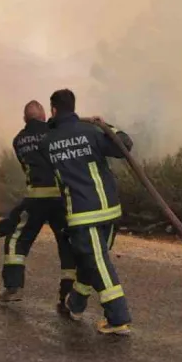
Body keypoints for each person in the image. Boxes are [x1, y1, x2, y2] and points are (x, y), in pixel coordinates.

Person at [45, 88, 134, 336]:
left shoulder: (48, 141)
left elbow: (47, 148)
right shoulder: (91, 132)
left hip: (83, 214)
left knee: (98, 263)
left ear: (53, 109)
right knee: (91, 260)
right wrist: (107, 125)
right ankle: (76, 304)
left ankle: (118, 318)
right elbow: (125, 146)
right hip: (109, 209)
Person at [0, 101, 77, 312]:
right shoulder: (55, 132)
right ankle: (67, 296)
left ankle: (13, 288)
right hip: (61, 199)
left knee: (16, 240)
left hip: (36, 199)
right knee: (67, 245)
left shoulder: (19, 140)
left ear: (24, 119)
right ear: (45, 116)